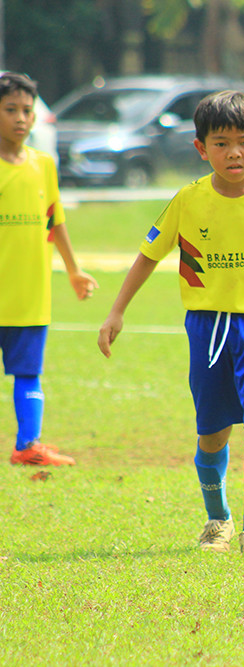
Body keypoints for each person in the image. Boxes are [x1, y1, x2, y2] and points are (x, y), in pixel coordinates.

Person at [98, 90, 244, 556]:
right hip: (208, 328)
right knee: (213, 432)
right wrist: (117, 311)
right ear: (201, 148)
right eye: (221, 143)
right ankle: (218, 520)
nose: (233, 152)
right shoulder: (188, 200)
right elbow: (148, 255)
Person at [0, 72, 98, 467]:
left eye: (27, 110)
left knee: (28, 372)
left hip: (29, 293)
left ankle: (28, 445)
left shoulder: (42, 165)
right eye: (10, 110)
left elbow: (55, 220)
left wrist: (74, 270)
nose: (21, 118)